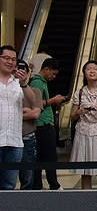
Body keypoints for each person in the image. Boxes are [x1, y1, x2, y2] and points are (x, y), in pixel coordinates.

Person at [69, 60, 97, 189]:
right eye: (88, 69)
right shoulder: (80, 92)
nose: (92, 71)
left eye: (95, 69)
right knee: (85, 172)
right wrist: (80, 112)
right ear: (84, 73)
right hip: (83, 132)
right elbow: (72, 116)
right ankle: (86, 202)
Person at [0, 46, 36, 190]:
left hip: (14, 141)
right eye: (6, 58)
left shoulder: (18, 83)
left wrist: (23, 83)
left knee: (9, 185)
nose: (10, 62)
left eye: (13, 59)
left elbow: (33, 102)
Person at [29, 57, 67, 190]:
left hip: (43, 124)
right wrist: (53, 100)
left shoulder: (41, 82)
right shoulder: (37, 83)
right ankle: (53, 184)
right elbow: (36, 104)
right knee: (50, 156)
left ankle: (38, 184)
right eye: (53, 73)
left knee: (40, 156)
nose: (54, 77)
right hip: (42, 124)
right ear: (46, 69)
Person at [19, 59, 42, 190]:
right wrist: (25, 112)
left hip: (27, 136)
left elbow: (35, 114)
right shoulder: (4, 89)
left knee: (28, 176)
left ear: (28, 73)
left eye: (23, 70)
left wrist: (17, 114)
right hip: (6, 137)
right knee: (6, 174)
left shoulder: (34, 91)